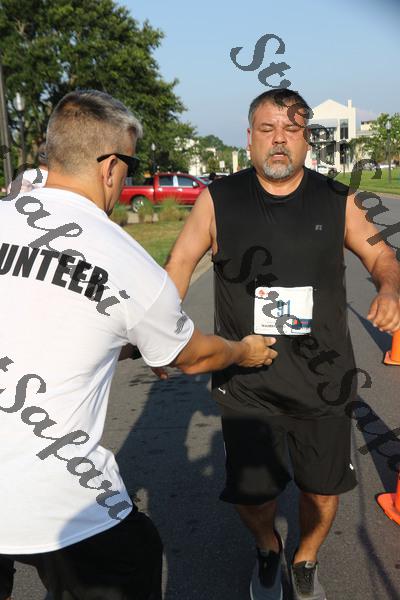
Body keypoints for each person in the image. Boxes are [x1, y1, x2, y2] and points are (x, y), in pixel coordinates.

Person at [0, 89, 278, 600]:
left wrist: (122, 343)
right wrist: (244, 351)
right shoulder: (120, 255)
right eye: (130, 166)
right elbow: (192, 355)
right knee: (135, 554)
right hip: (58, 500)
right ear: (110, 167)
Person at [164, 89, 400, 600]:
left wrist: (388, 289)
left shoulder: (337, 199)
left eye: (291, 130)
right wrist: (158, 329)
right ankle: (268, 548)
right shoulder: (218, 200)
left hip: (324, 382)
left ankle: (306, 556)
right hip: (247, 381)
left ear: (307, 140)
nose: (278, 140)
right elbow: (179, 263)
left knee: (323, 492)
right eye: (267, 129)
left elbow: (382, 257)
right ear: (249, 137)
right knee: (253, 495)